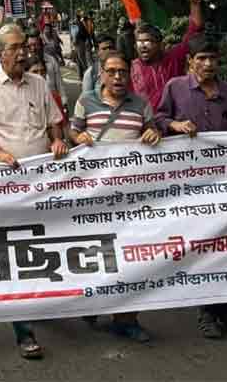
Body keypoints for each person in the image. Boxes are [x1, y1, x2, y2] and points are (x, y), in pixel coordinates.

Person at [155, 33, 227, 339]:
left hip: (226, 187)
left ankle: (225, 307)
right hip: (191, 187)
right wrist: (173, 125)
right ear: (190, 62)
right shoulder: (175, 88)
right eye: (201, 58)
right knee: (201, 248)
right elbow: (158, 119)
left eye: (212, 58)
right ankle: (206, 312)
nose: (207, 64)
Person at [0, 23, 67, 359]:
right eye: (14, 47)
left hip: (42, 183)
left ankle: (53, 306)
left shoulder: (39, 84)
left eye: (23, 46)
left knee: (47, 247)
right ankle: (23, 329)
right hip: (6, 186)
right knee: (16, 253)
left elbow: (56, 122)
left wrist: (57, 140)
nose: (22, 52)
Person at [70, 52, 161, 342]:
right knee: (97, 253)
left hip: (130, 197)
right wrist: (77, 138)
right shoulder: (86, 101)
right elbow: (73, 131)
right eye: (112, 72)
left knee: (131, 255)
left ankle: (127, 319)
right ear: (102, 76)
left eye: (123, 72)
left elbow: (152, 129)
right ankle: (94, 303)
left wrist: (152, 133)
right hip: (94, 195)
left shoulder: (141, 104)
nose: (118, 77)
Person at [131, 0, 205, 109]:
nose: (143, 46)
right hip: (145, 125)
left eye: (148, 41)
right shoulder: (130, 69)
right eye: (139, 42)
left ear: (161, 45)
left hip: (176, 122)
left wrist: (195, 4)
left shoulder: (173, 59)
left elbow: (195, 30)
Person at [26, 30, 65, 120]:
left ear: (41, 45)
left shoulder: (51, 61)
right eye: (30, 46)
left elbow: (59, 83)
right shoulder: (24, 64)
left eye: (35, 45)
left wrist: (64, 102)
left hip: (54, 103)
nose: (33, 48)